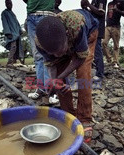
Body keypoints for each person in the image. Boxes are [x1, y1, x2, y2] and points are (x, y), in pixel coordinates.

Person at [35, 9, 99, 143]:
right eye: (53, 53)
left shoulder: (76, 26)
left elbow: (80, 58)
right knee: (58, 81)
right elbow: (51, 63)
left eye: (61, 51)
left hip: (88, 33)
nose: (58, 56)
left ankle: (85, 118)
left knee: (83, 75)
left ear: (67, 35)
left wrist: (60, 77)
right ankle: (69, 116)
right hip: (64, 41)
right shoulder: (41, 42)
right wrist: (54, 81)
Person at [23, 0, 59, 104]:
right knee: (37, 56)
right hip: (31, 15)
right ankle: (41, 88)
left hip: (46, 14)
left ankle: (50, 90)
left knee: (48, 54)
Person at [81, 0, 107, 81]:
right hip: (93, 28)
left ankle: (100, 74)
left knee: (97, 51)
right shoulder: (94, 1)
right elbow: (93, 12)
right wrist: (85, 7)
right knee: (93, 51)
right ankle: (96, 71)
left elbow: (101, 13)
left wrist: (88, 4)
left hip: (98, 29)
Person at [102, 0, 124, 68]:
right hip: (108, 26)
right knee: (103, 42)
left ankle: (115, 62)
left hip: (116, 27)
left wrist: (117, 10)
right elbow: (108, 14)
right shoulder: (110, 3)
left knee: (116, 46)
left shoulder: (122, 2)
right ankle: (109, 59)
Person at [1, 0, 24, 67]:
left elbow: (17, 23)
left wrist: (20, 30)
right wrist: (8, 33)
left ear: (12, 4)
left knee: (17, 48)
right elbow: (4, 23)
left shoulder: (12, 13)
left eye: (10, 4)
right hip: (11, 34)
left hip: (17, 33)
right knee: (13, 47)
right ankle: (9, 62)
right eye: (8, 4)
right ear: (6, 4)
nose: (9, 5)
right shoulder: (4, 13)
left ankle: (15, 61)